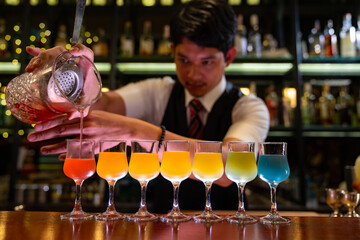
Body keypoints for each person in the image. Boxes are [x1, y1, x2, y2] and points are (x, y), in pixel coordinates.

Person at [25, 0, 269, 212]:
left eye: (206, 62)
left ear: (229, 57)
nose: (193, 73)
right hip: (162, 227)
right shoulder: (159, 91)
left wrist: (138, 132)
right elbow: (104, 104)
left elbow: (231, 167)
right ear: (172, 51)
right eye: (183, 60)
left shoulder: (250, 107)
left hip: (226, 230)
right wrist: (78, 79)